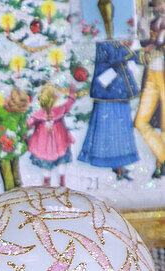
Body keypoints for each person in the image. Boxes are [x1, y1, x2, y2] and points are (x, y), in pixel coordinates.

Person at [78, 40, 140, 181]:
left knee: (121, 130)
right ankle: (112, 165)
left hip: (119, 92)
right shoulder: (104, 42)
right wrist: (132, 50)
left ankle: (120, 166)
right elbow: (115, 58)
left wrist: (140, 54)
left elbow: (124, 57)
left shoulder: (117, 42)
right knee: (107, 128)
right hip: (108, 92)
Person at [27, 83, 77, 187]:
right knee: (62, 161)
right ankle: (62, 180)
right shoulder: (60, 110)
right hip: (60, 143)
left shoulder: (38, 114)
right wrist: (71, 94)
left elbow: (28, 124)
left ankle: (46, 181)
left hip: (42, 146)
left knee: (45, 165)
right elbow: (69, 103)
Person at [137, 0, 165, 178]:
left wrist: (159, 48)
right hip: (151, 75)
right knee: (140, 121)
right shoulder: (153, 23)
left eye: (162, 4)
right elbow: (143, 42)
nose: (160, 8)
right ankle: (163, 158)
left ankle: (160, 164)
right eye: (157, 5)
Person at [0, 88, 30, 191]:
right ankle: (18, 185)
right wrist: (21, 136)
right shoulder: (20, 114)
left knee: (5, 167)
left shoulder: (3, 112)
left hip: (1, 146)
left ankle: (10, 190)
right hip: (14, 144)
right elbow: (24, 128)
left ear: (11, 101)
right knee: (14, 164)